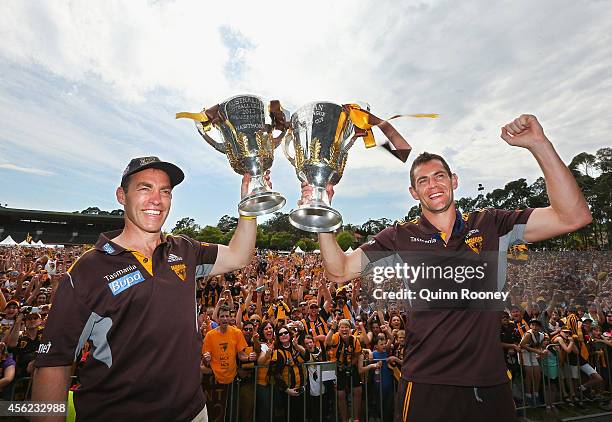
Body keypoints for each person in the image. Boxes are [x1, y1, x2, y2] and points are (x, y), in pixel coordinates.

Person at [301, 115, 592, 422]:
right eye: (423, 181)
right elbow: (340, 271)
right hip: (428, 383)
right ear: (414, 192)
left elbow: (573, 216)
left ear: (454, 181)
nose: (433, 185)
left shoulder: (492, 224)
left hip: (490, 382)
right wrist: (323, 216)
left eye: (439, 176)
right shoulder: (400, 236)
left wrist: (538, 144)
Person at [32, 156, 261, 422]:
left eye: (165, 191)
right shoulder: (87, 271)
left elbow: (239, 255)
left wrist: (249, 207)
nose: (157, 199)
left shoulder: (184, 249)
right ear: (121, 196)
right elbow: (53, 363)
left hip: (192, 413)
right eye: (144, 188)